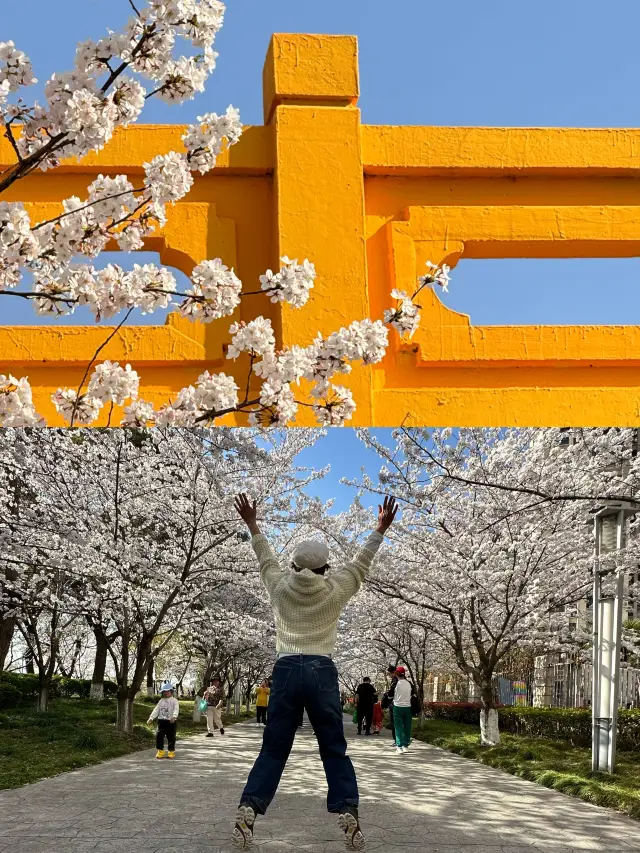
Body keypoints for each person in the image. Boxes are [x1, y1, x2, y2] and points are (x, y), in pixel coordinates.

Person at [232, 492, 398, 851]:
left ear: (293, 566)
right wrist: (379, 529)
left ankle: (250, 806)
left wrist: (252, 523)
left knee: (274, 750)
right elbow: (360, 564)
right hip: (322, 670)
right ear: (325, 569)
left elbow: (264, 558)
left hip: (286, 668)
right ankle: (347, 810)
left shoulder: (278, 587)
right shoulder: (335, 590)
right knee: (333, 749)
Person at [147, 682, 179, 760]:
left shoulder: (174, 701)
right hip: (161, 721)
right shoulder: (161, 701)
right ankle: (160, 751)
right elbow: (156, 709)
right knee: (159, 736)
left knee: (171, 737)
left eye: (168, 691)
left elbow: (176, 709)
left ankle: (171, 751)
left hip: (171, 721)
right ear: (162, 692)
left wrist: (174, 717)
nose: (166, 693)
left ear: (171, 691)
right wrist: (151, 718)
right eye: (164, 691)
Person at [391, 667, 413, 754]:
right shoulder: (409, 683)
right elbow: (413, 693)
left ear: (396, 674)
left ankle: (399, 746)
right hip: (407, 707)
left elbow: (390, 694)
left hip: (397, 707)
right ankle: (405, 746)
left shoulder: (395, 683)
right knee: (407, 726)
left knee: (398, 727)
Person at [382, 664, 399, 747]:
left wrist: (387, 694)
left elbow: (392, 693)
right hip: (400, 704)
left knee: (394, 722)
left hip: (394, 703)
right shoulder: (399, 680)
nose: (389, 675)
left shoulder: (395, 681)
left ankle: (397, 740)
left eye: (389, 674)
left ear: (393, 672)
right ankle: (399, 740)